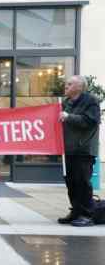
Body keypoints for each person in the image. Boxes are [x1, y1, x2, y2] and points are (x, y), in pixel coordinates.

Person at [58, 75, 100, 227]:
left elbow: (90, 121)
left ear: (79, 87)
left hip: (83, 150)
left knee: (83, 182)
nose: (66, 86)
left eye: (69, 84)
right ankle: (76, 211)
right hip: (69, 150)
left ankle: (88, 214)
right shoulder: (66, 102)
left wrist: (68, 117)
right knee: (71, 182)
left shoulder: (90, 101)